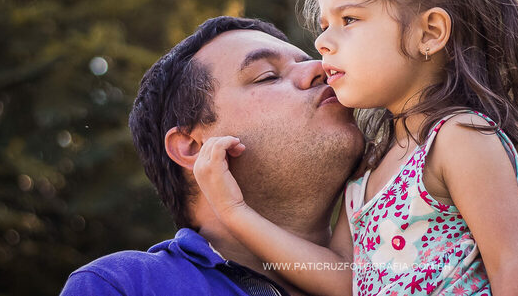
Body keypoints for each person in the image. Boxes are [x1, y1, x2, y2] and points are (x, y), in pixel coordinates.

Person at [194, 0, 518, 296]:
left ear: (429, 33)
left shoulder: (460, 138)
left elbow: (514, 266)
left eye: (348, 19)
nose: (322, 43)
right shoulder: (368, 171)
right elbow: (343, 280)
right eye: (324, 24)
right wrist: (235, 214)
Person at [60, 16, 365, 296]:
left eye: (309, 60)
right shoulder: (124, 286)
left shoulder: (400, 262)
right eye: (268, 76)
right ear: (192, 146)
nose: (321, 69)